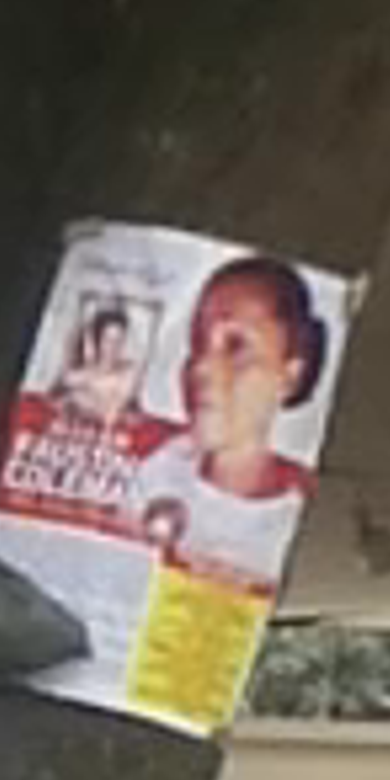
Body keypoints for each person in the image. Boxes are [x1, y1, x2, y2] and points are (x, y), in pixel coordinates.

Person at [137, 254, 333, 598]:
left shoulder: (293, 522)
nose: (202, 368)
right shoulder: (149, 472)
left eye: (236, 346)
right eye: (197, 345)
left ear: (290, 375)